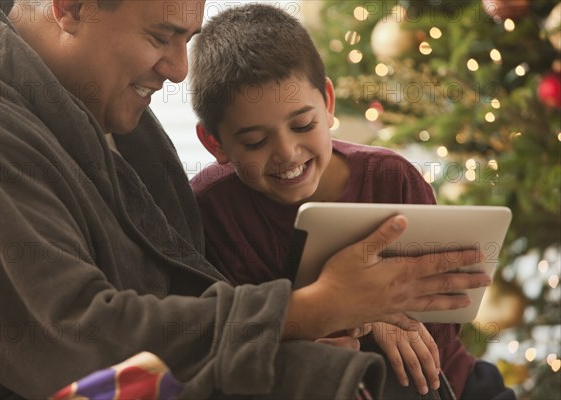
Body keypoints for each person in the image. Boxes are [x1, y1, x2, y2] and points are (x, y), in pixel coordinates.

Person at [0, 0, 492, 398]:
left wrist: (306, 328)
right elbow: (72, 339)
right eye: (161, 36)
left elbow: (186, 287)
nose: (179, 68)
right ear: (71, 8)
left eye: (186, 38)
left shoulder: (108, 110)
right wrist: (311, 310)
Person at [190, 4, 515, 400]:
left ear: (327, 103)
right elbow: (231, 336)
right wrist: (330, 327)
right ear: (215, 143)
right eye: (256, 142)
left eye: (303, 125)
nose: (288, 154)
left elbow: (442, 321)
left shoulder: (392, 179)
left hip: (448, 384)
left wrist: (379, 312)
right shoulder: (211, 209)